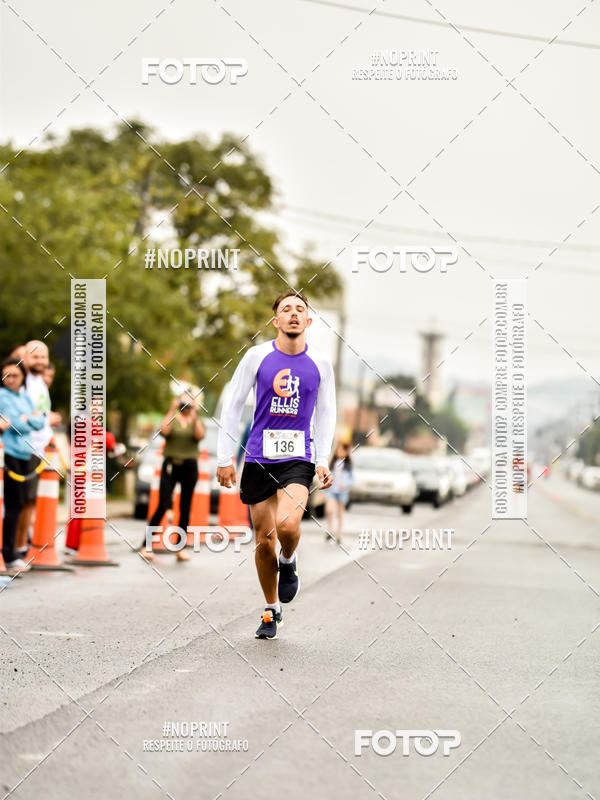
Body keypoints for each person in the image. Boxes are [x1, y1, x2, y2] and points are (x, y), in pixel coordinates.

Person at [216, 291, 336, 640]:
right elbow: (233, 405)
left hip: (298, 458)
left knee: (286, 526)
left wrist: (323, 459)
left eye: (301, 310)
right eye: (287, 310)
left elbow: (326, 413)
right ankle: (271, 610)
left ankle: (289, 560)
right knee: (262, 539)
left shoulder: (321, 364)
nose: (294, 314)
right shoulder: (256, 357)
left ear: (309, 321)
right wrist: (225, 458)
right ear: (276, 321)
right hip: (258, 457)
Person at [140, 393, 205, 562]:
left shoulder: (195, 421)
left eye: (189, 403)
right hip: (171, 465)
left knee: (185, 506)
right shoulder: (173, 419)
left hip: (190, 465)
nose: (186, 406)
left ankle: (180, 547)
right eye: (183, 402)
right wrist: (172, 410)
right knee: (163, 503)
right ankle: (146, 544)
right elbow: (164, 431)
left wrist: (194, 415)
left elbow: (200, 436)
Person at [15, 341, 62, 558]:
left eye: (44, 357)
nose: (41, 361)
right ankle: (16, 549)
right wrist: (45, 420)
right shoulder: (22, 382)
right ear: (25, 357)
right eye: (36, 357)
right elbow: (19, 414)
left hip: (40, 450)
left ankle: (21, 546)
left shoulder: (39, 382)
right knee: (23, 501)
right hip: (25, 448)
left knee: (30, 501)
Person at [0, 358, 45, 573]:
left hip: (26, 453)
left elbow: (40, 422)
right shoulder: (2, 395)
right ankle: (9, 554)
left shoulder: (26, 398)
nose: (10, 380)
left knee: (20, 504)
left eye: (15, 375)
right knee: (12, 504)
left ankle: (14, 551)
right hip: (9, 453)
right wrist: (26, 419)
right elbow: (13, 423)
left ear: (22, 378)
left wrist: (26, 418)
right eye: (6, 375)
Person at [325, 442, 353, 544]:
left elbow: (352, 479)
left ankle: (339, 534)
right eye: (338, 450)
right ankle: (330, 530)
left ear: (346, 452)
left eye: (342, 450)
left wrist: (345, 484)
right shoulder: (332, 464)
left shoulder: (348, 465)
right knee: (329, 509)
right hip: (332, 491)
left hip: (342, 492)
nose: (339, 452)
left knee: (340, 513)